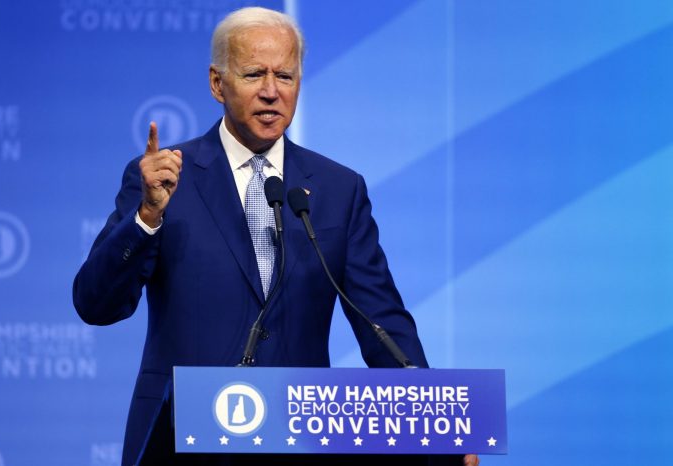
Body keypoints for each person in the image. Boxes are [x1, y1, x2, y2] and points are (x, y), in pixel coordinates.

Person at [73, 6, 479, 466]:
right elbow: (95, 304)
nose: (271, 92)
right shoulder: (164, 179)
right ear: (216, 83)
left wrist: (433, 431)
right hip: (184, 443)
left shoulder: (338, 189)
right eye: (253, 74)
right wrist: (147, 215)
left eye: (285, 76)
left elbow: (382, 323)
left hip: (298, 445)